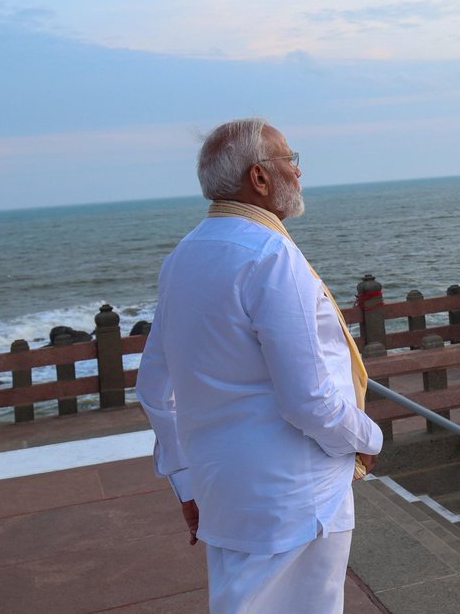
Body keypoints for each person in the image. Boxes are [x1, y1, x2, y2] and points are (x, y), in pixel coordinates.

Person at [136, 118, 384, 614]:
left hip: (223, 488)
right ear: (260, 178)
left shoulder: (184, 256)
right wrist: (367, 438)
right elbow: (307, 399)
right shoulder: (271, 255)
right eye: (290, 160)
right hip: (294, 493)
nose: (298, 172)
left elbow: (153, 387)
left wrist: (185, 479)